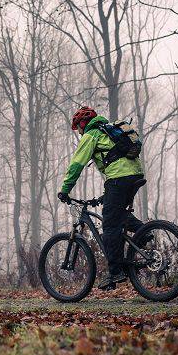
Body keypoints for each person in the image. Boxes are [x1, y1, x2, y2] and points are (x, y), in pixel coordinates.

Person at [57, 106, 145, 290]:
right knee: (117, 215)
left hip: (118, 178)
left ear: (83, 124)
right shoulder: (109, 132)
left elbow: (77, 164)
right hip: (135, 174)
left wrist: (65, 189)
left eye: (79, 129)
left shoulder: (92, 134)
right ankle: (144, 232)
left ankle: (115, 272)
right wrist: (104, 197)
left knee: (110, 225)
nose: (80, 133)